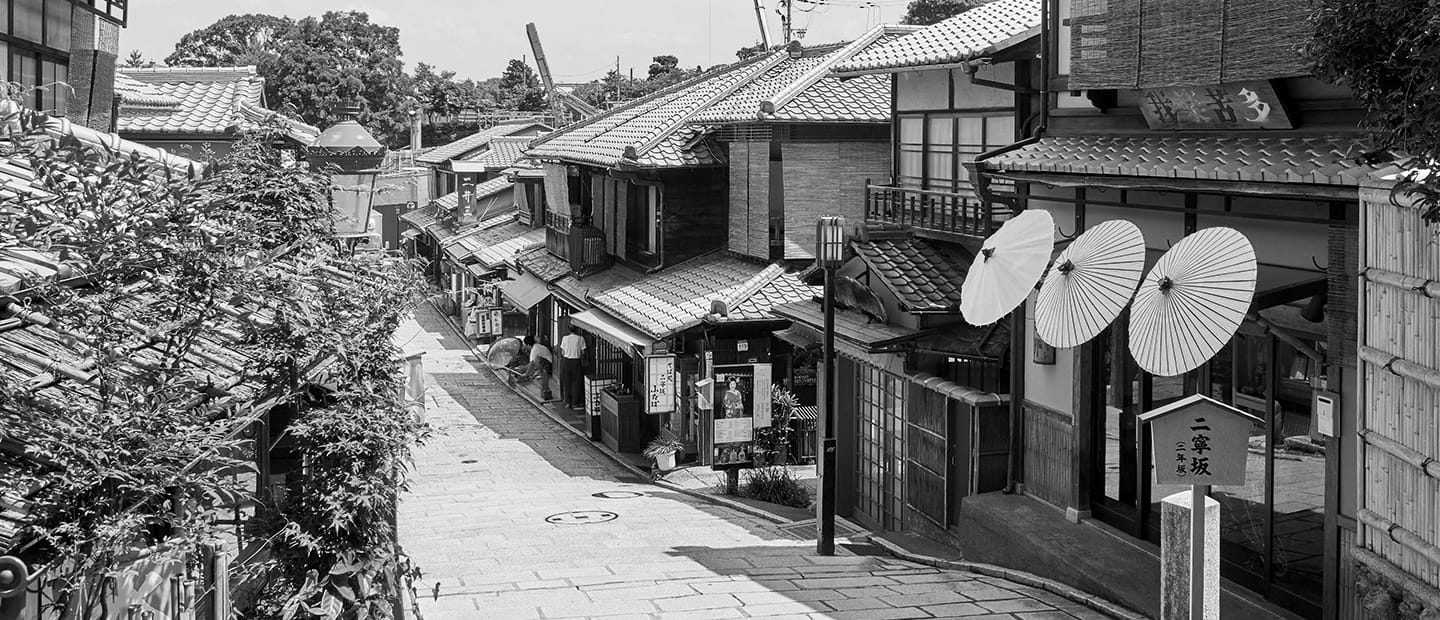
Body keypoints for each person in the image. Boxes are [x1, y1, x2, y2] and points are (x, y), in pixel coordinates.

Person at [511, 336, 554, 401]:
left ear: (528, 344)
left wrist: (526, 374)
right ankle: (538, 373)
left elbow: (531, 363)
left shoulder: (535, 349)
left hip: (548, 366)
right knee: (533, 362)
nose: (524, 346)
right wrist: (523, 368)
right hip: (547, 364)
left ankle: (540, 374)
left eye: (525, 344)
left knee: (536, 360)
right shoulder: (536, 346)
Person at [558, 325, 587, 411]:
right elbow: (583, 352)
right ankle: (575, 402)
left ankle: (567, 401)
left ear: (569, 330)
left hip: (566, 361)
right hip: (576, 361)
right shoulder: (580, 339)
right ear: (577, 329)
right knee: (576, 382)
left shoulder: (565, 338)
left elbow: (562, 352)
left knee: (566, 381)